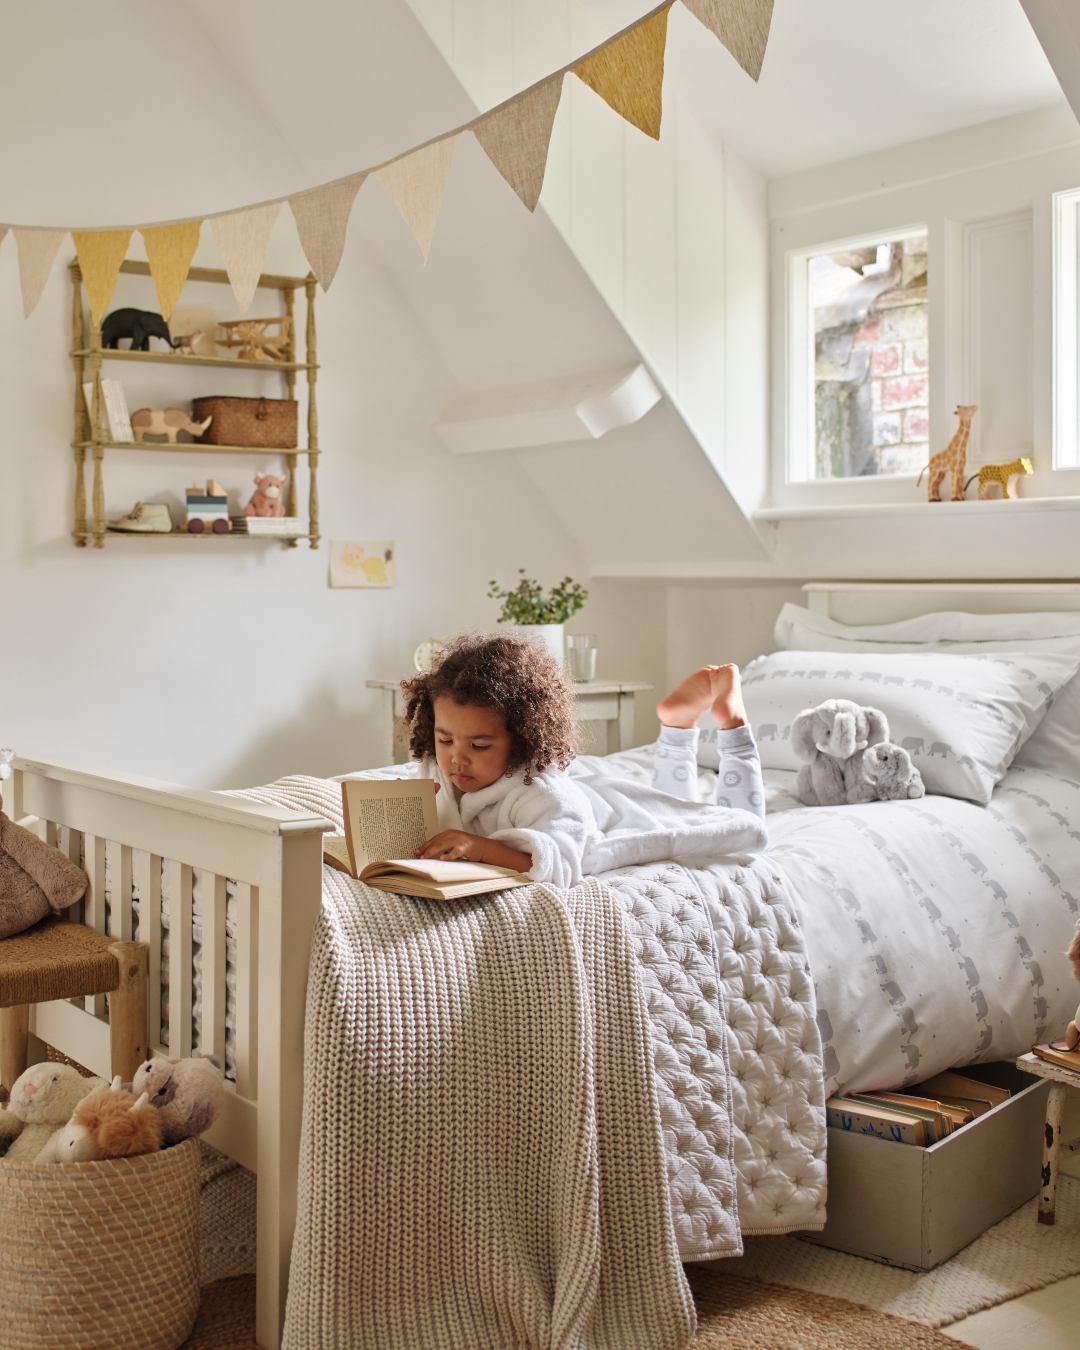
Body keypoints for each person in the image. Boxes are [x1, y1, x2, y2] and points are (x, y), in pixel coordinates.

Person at [402, 635, 765, 889]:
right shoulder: (441, 767)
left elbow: (558, 863)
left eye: (480, 746)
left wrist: (482, 849)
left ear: (522, 741)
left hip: (610, 812)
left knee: (720, 823)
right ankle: (677, 728)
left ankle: (732, 730)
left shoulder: (543, 795)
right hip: (591, 785)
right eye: (445, 740)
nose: (456, 758)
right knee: (679, 804)